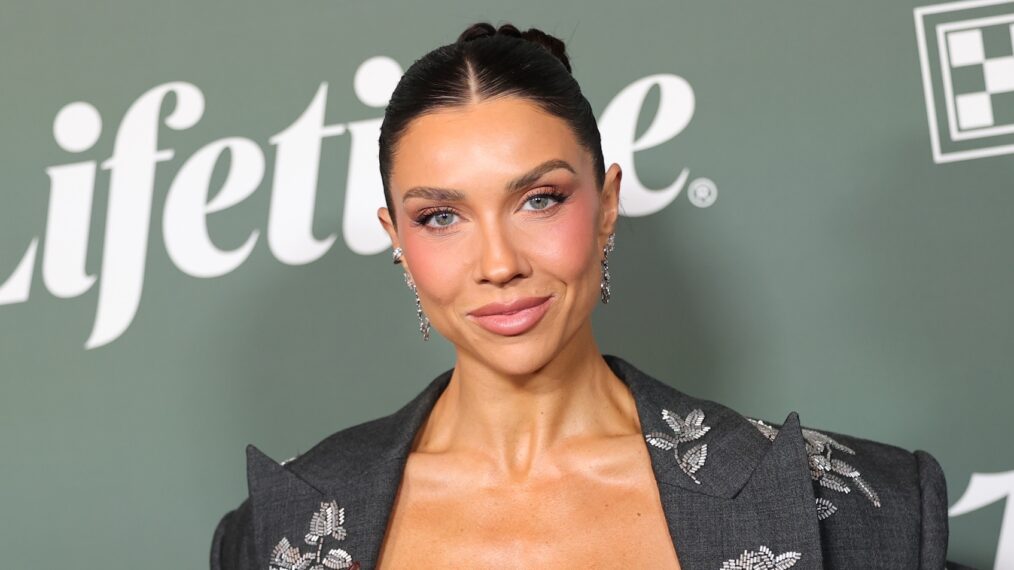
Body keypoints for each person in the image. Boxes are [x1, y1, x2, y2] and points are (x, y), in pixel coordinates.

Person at [210, 22, 960, 569]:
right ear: (398, 240)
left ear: (605, 208)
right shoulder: (274, 530)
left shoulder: (869, 511)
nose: (498, 263)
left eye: (538, 199)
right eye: (442, 217)